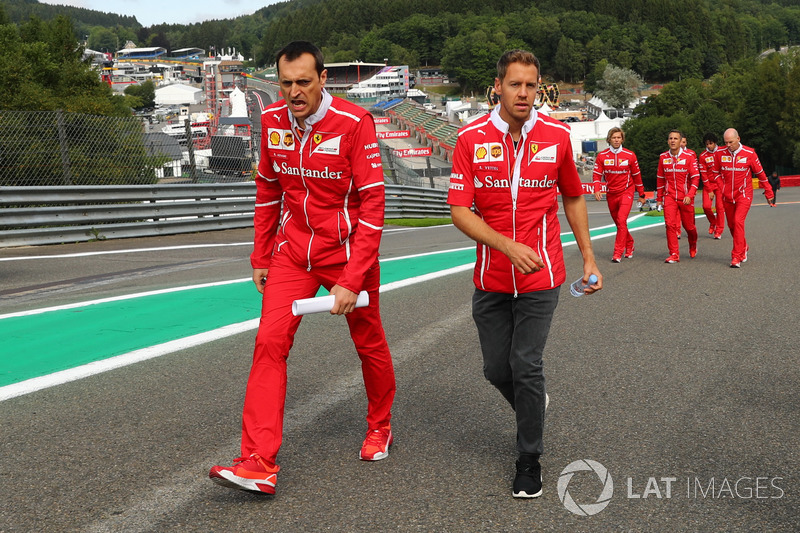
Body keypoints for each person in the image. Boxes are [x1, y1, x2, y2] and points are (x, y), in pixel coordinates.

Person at [209, 41, 396, 495]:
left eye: (303, 82)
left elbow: (374, 203)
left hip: (347, 254)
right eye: (286, 82)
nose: (294, 92)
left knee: (367, 339)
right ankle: (257, 462)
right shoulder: (272, 120)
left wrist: (352, 279)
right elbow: (268, 191)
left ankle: (379, 424)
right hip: (293, 253)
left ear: (323, 79)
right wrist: (260, 255)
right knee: (268, 342)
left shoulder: (355, 122)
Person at [447, 49, 602, 499]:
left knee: (525, 364)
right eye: (515, 84)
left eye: (531, 85)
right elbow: (459, 210)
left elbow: (573, 197)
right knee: (497, 369)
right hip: (492, 273)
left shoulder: (556, 135)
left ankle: (529, 459)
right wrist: (506, 246)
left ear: (540, 88)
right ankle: (532, 404)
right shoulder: (471, 137)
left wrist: (588, 258)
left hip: (542, 273)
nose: (523, 93)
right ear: (498, 86)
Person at [715, 128, 775, 268]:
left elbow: (760, 174)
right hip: (727, 195)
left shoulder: (749, 153)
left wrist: (769, 192)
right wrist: (721, 186)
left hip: (744, 194)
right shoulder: (720, 153)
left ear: (738, 139)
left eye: (730, 142)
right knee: (731, 225)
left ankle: (736, 256)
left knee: (738, 221)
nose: (728, 145)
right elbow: (715, 172)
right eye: (726, 142)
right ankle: (744, 246)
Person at [592, 127, 645, 262]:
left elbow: (636, 175)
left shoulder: (630, 155)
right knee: (619, 224)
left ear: (622, 139)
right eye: (614, 137)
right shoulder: (602, 156)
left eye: (619, 137)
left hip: (626, 192)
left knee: (621, 220)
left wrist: (641, 194)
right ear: (609, 139)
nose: (616, 140)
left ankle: (617, 253)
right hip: (611, 194)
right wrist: (597, 189)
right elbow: (597, 175)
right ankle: (630, 243)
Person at [656, 130, 700, 263]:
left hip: (685, 197)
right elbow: (660, 179)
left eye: (676, 138)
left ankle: (693, 243)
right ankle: (674, 254)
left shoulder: (689, 156)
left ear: (681, 142)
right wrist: (659, 199)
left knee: (689, 227)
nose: (673, 141)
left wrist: (690, 194)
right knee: (670, 225)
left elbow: (696, 178)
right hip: (669, 197)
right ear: (668, 141)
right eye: (670, 138)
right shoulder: (663, 157)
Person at [698, 132, 725, 239]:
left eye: (711, 143)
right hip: (708, 185)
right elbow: (703, 174)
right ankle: (713, 222)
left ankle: (719, 231)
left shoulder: (723, 152)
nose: (709, 146)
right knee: (706, 207)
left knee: (720, 208)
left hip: (720, 185)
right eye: (707, 144)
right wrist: (709, 189)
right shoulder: (703, 156)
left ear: (715, 142)